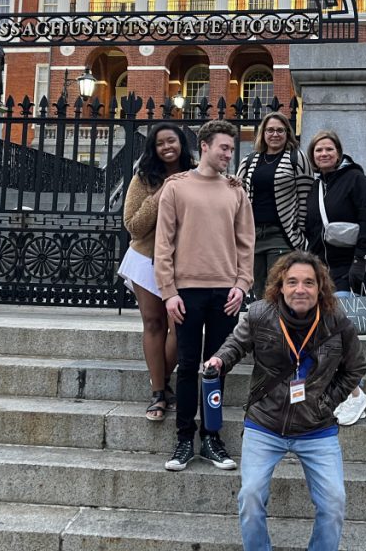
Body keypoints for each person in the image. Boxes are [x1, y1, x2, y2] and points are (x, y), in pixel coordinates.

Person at [206, 250, 366, 551]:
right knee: (250, 497)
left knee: (334, 503)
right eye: (292, 282)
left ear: (320, 287)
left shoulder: (337, 321)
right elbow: (235, 345)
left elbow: (355, 368)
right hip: (265, 424)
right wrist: (219, 360)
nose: (300, 289)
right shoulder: (259, 314)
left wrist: (326, 403)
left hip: (316, 428)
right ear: (280, 286)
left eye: (308, 282)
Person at [155, 119, 255, 471]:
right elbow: (163, 243)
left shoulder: (235, 190)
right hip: (185, 291)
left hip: (225, 292)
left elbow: (247, 242)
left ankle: (212, 438)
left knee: (217, 368)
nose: (230, 154)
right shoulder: (176, 187)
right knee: (186, 366)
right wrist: (168, 292)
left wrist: (242, 285)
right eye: (224, 148)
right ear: (206, 146)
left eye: (232, 148)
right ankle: (184, 439)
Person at [304, 130, 366, 427]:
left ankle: (354, 393)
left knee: (335, 332)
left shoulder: (356, 180)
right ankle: (343, 391)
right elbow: (313, 229)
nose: (323, 154)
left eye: (328, 149)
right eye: (318, 151)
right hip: (322, 268)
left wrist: (361, 259)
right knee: (323, 332)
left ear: (338, 152)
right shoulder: (316, 186)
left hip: (349, 266)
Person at [118, 123, 195, 422]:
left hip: (184, 261)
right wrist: (162, 191)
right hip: (145, 258)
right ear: (154, 148)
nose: (167, 147)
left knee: (179, 327)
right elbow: (133, 226)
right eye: (160, 143)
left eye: (171, 141)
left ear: (181, 144)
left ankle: (160, 383)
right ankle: (159, 391)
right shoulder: (142, 179)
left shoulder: (197, 174)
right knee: (154, 323)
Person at [235, 112, 314, 299]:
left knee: (278, 288)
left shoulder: (297, 158)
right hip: (253, 235)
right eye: (270, 130)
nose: (275, 134)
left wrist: (300, 231)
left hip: (281, 235)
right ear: (263, 133)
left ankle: (281, 327)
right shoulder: (250, 160)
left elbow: (305, 198)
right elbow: (237, 193)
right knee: (259, 290)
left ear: (288, 133)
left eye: (280, 130)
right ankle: (265, 327)